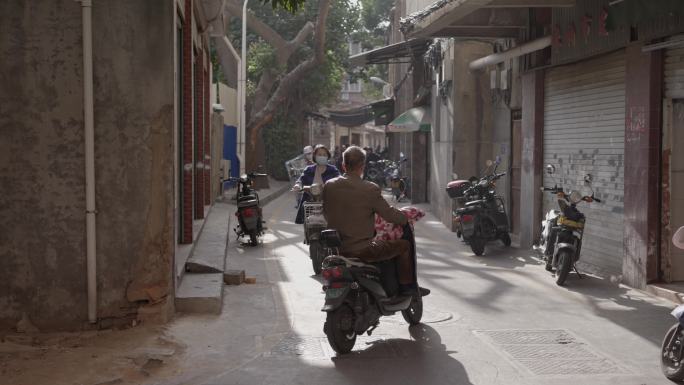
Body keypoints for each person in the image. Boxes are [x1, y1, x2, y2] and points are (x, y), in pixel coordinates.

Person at [323, 146, 419, 296]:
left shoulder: (329, 185)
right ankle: (407, 289)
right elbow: (388, 214)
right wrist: (404, 218)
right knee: (404, 245)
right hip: (362, 250)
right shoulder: (370, 188)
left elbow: (326, 212)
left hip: (336, 249)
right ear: (362, 166)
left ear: (343, 165)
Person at [293, 144, 340, 224]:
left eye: (324, 155)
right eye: (319, 154)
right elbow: (301, 180)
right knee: (309, 229)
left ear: (328, 156)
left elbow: (339, 180)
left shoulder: (332, 170)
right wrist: (298, 185)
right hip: (310, 206)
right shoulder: (309, 169)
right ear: (315, 156)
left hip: (328, 206)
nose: (322, 156)